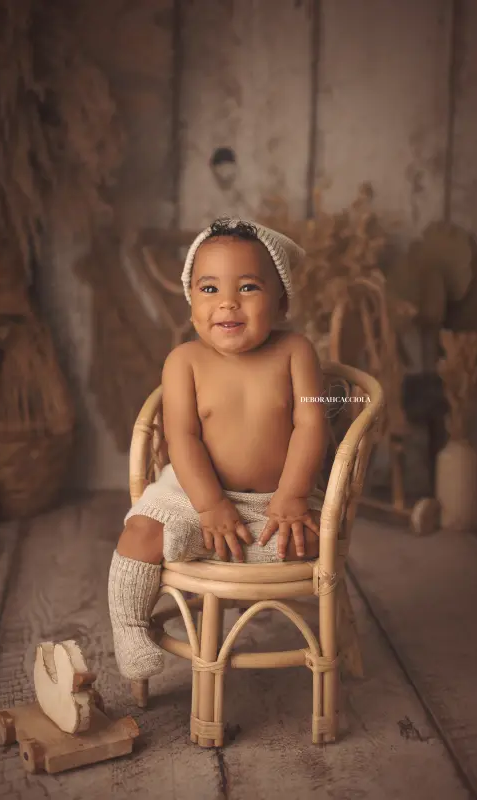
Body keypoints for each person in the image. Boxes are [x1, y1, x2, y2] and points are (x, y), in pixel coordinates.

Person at [108, 217, 328, 681]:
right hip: (193, 492)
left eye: (248, 287)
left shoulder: (296, 352)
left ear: (282, 302)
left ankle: (199, 548)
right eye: (209, 289)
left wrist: (291, 497)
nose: (227, 301)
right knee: (142, 532)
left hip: (274, 501)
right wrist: (209, 505)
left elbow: (311, 423)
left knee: (307, 542)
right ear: (191, 305)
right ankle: (130, 625)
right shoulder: (184, 360)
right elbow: (181, 437)